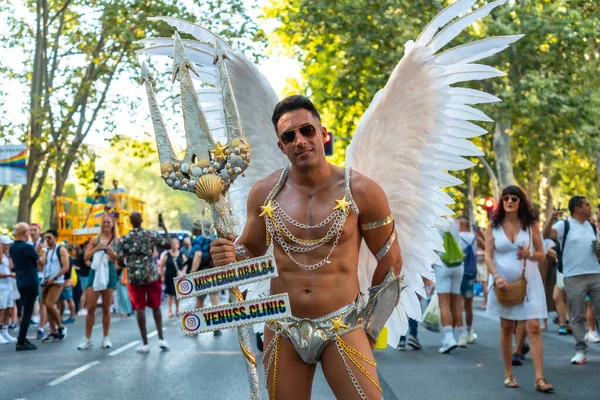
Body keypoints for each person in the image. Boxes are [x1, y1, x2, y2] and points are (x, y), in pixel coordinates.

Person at [210, 96, 402, 399]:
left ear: (322, 133)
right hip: (283, 326)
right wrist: (228, 255)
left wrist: (369, 325)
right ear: (281, 146)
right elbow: (249, 250)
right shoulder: (264, 193)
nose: (300, 140)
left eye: (307, 131)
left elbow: (391, 262)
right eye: (289, 136)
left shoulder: (362, 191)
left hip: (342, 323)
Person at [485, 186, 553, 393]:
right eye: (505, 198)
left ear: (520, 201)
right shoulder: (493, 226)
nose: (509, 201)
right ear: (502, 202)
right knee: (506, 327)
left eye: (514, 198)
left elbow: (542, 254)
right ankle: (508, 374)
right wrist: (496, 277)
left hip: (529, 281)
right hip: (502, 283)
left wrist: (530, 254)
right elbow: (488, 256)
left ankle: (540, 378)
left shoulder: (530, 224)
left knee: (533, 326)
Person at [543, 195, 600, 365]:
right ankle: (581, 351)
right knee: (577, 316)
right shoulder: (564, 225)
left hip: (596, 274)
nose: (590, 207)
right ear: (577, 208)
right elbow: (547, 234)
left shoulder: (592, 226)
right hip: (573, 277)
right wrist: (550, 219)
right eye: (587, 204)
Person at [117, 211, 170, 353]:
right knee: (156, 306)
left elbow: (119, 260)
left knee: (139, 309)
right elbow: (168, 245)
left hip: (134, 277)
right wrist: (164, 228)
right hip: (151, 275)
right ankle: (161, 339)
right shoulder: (150, 234)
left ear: (130, 222)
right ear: (141, 220)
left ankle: (145, 343)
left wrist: (128, 263)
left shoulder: (125, 239)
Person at [78, 215, 119, 350]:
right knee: (91, 307)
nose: (106, 224)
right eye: (104, 222)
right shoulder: (94, 239)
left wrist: (111, 251)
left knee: (107, 307)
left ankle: (106, 337)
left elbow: (119, 259)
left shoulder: (117, 240)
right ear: (101, 224)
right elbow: (86, 256)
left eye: (109, 222)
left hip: (109, 272)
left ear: (113, 224)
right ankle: (87, 338)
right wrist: (96, 248)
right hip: (95, 273)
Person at [11, 223, 45, 351]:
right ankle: (21, 341)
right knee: (28, 312)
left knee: (25, 309)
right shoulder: (28, 247)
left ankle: (22, 337)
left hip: (20, 281)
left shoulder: (13, 247)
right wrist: (45, 250)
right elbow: (41, 261)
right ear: (25, 233)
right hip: (30, 281)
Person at [434, 217, 464, 354]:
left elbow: (433, 249)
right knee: (455, 302)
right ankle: (459, 333)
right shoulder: (453, 222)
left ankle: (448, 337)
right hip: (458, 264)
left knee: (444, 304)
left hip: (442, 265)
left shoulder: (434, 223)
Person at [190, 221, 221, 336]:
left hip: (202, 271)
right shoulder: (213, 238)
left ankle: (195, 327)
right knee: (215, 298)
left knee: (200, 300)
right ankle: (217, 326)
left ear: (198, 229)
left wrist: (192, 273)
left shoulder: (198, 240)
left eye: (194, 227)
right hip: (214, 270)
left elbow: (198, 255)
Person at [39, 229, 69, 342]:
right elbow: (41, 263)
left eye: (49, 237)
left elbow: (66, 266)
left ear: (56, 238)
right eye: (45, 238)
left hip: (56, 281)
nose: (47, 240)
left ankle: (61, 327)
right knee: (47, 306)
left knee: (50, 303)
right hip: (45, 281)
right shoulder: (45, 250)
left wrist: (54, 277)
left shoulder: (60, 249)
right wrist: (43, 250)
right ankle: (53, 332)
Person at [457, 216, 482, 347]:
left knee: (458, 304)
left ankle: (462, 335)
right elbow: (483, 248)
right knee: (468, 304)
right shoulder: (473, 238)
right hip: (470, 274)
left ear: (460, 224)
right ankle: (470, 330)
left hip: (458, 272)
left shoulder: (457, 237)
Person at [159, 237, 186, 318]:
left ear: (178, 245)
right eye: (173, 243)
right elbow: (161, 265)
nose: (174, 245)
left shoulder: (181, 254)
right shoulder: (167, 255)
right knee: (170, 294)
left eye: (176, 243)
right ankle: (170, 310)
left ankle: (177, 309)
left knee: (178, 294)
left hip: (178, 277)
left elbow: (186, 263)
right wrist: (162, 276)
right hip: (169, 277)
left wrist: (183, 272)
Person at [29, 222, 47, 340]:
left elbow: (41, 262)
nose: (33, 232)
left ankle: (41, 328)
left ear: (39, 231)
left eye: (35, 230)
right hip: (32, 275)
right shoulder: (29, 243)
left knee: (42, 302)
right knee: (30, 301)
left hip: (42, 275)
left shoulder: (42, 244)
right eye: (31, 230)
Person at [0, 236, 17, 344]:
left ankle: (5, 331)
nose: (9, 245)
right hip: (1, 286)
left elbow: (11, 266)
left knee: (8, 309)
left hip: (8, 285)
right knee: (1, 310)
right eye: (7, 244)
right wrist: (9, 275)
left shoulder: (6, 255)